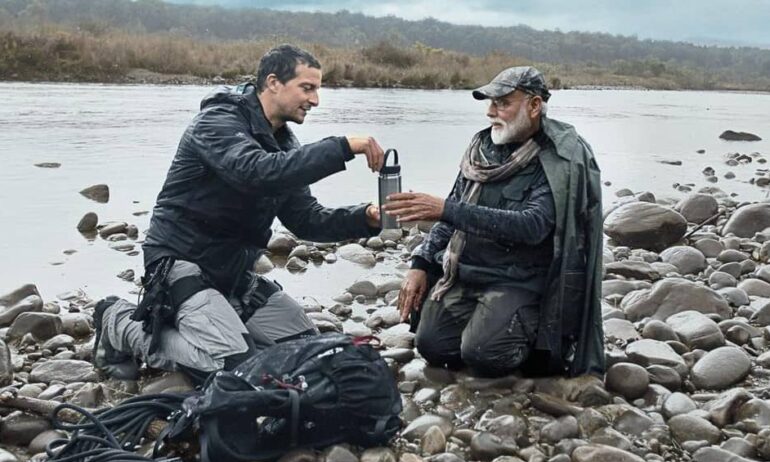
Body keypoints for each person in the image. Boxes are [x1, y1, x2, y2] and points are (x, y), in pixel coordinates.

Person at [93, 44, 385, 380]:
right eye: (308, 88)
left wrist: (366, 217)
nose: (316, 100)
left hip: (233, 276)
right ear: (273, 82)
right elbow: (257, 172)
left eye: (317, 89)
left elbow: (306, 219)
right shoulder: (217, 122)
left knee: (308, 353)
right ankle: (117, 321)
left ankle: (219, 321)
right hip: (181, 264)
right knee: (234, 370)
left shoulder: (285, 146)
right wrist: (343, 147)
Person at [385, 66, 604, 378]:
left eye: (502, 103)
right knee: (432, 347)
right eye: (489, 103)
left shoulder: (558, 158)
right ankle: (488, 323)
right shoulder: (481, 150)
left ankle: (533, 337)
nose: (490, 112)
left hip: (520, 280)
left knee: (482, 355)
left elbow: (533, 225)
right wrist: (419, 263)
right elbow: (450, 217)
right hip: (469, 273)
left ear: (534, 105)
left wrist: (447, 209)